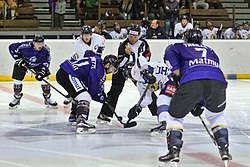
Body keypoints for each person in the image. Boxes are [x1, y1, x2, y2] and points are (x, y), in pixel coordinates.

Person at [158, 29, 232, 165]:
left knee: (175, 117)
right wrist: (200, 102)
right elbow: (207, 75)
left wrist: (192, 100)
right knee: (216, 116)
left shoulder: (175, 47)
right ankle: (224, 148)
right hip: (218, 82)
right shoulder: (210, 50)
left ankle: (174, 150)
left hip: (192, 81)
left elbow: (176, 72)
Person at [96, 24, 158, 125]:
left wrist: (141, 67)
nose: (132, 39)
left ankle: (159, 112)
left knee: (147, 90)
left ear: (138, 36)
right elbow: (119, 63)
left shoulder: (143, 44)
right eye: (130, 36)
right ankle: (105, 114)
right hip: (122, 70)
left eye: (135, 36)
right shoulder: (123, 45)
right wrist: (126, 55)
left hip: (138, 70)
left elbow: (147, 57)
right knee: (115, 90)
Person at [56, 52, 119, 133]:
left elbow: (88, 53)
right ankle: (81, 121)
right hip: (69, 73)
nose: (112, 71)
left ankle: (73, 117)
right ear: (107, 65)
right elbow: (93, 91)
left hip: (66, 71)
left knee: (79, 94)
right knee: (85, 96)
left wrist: (101, 94)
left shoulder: (97, 60)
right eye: (113, 68)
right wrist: (103, 98)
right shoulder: (99, 71)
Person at [63, 25, 106, 123]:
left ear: (91, 34)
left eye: (88, 34)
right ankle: (74, 113)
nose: (86, 37)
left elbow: (103, 40)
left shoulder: (98, 38)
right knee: (81, 92)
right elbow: (85, 59)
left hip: (91, 67)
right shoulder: (78, 44)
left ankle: (75, 112)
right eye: (84, 35)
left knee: (83, 91)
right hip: (79, 67)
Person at [123, 60, 176, 136]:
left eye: (129, 76)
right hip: (168, 83)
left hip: (173, 76)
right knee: (164, 99)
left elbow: (141, 59)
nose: (132, 79)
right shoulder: (140, 83)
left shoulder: (137, 70)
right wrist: (137, 109)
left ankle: (165, 124)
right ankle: (165, 122)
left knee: (163, 99)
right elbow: (147, 99)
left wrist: (146, 73)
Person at [8, 34, 58, 109]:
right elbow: (11, 47)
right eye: (38, 43)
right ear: (33, 43)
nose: (40, 45)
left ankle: (47, 98)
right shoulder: (25, 46)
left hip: (39, 64)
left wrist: (42, 72)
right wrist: (18, 59)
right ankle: (17, 98)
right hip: (23, 63)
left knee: (45, 80)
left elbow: (46, 61)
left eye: (41, 43)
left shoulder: (46, 50)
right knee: (17, 80)